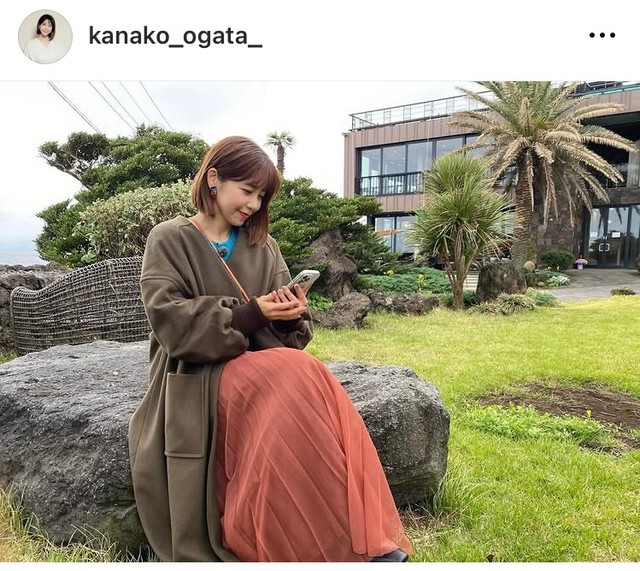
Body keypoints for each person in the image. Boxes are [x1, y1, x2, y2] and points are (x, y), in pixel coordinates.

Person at [128, 135, 412, 562]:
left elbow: (292, 338)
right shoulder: (168, 238)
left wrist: (290, 314)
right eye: (247, 191)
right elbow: (171, 322)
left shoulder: (264, 246)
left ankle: (356, 544)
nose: (254, 205)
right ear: (213, 179)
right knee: (296, 375)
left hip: (262, 368)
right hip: (195, 377)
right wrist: (251, 314)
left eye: (261, 196)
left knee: (304, 375)